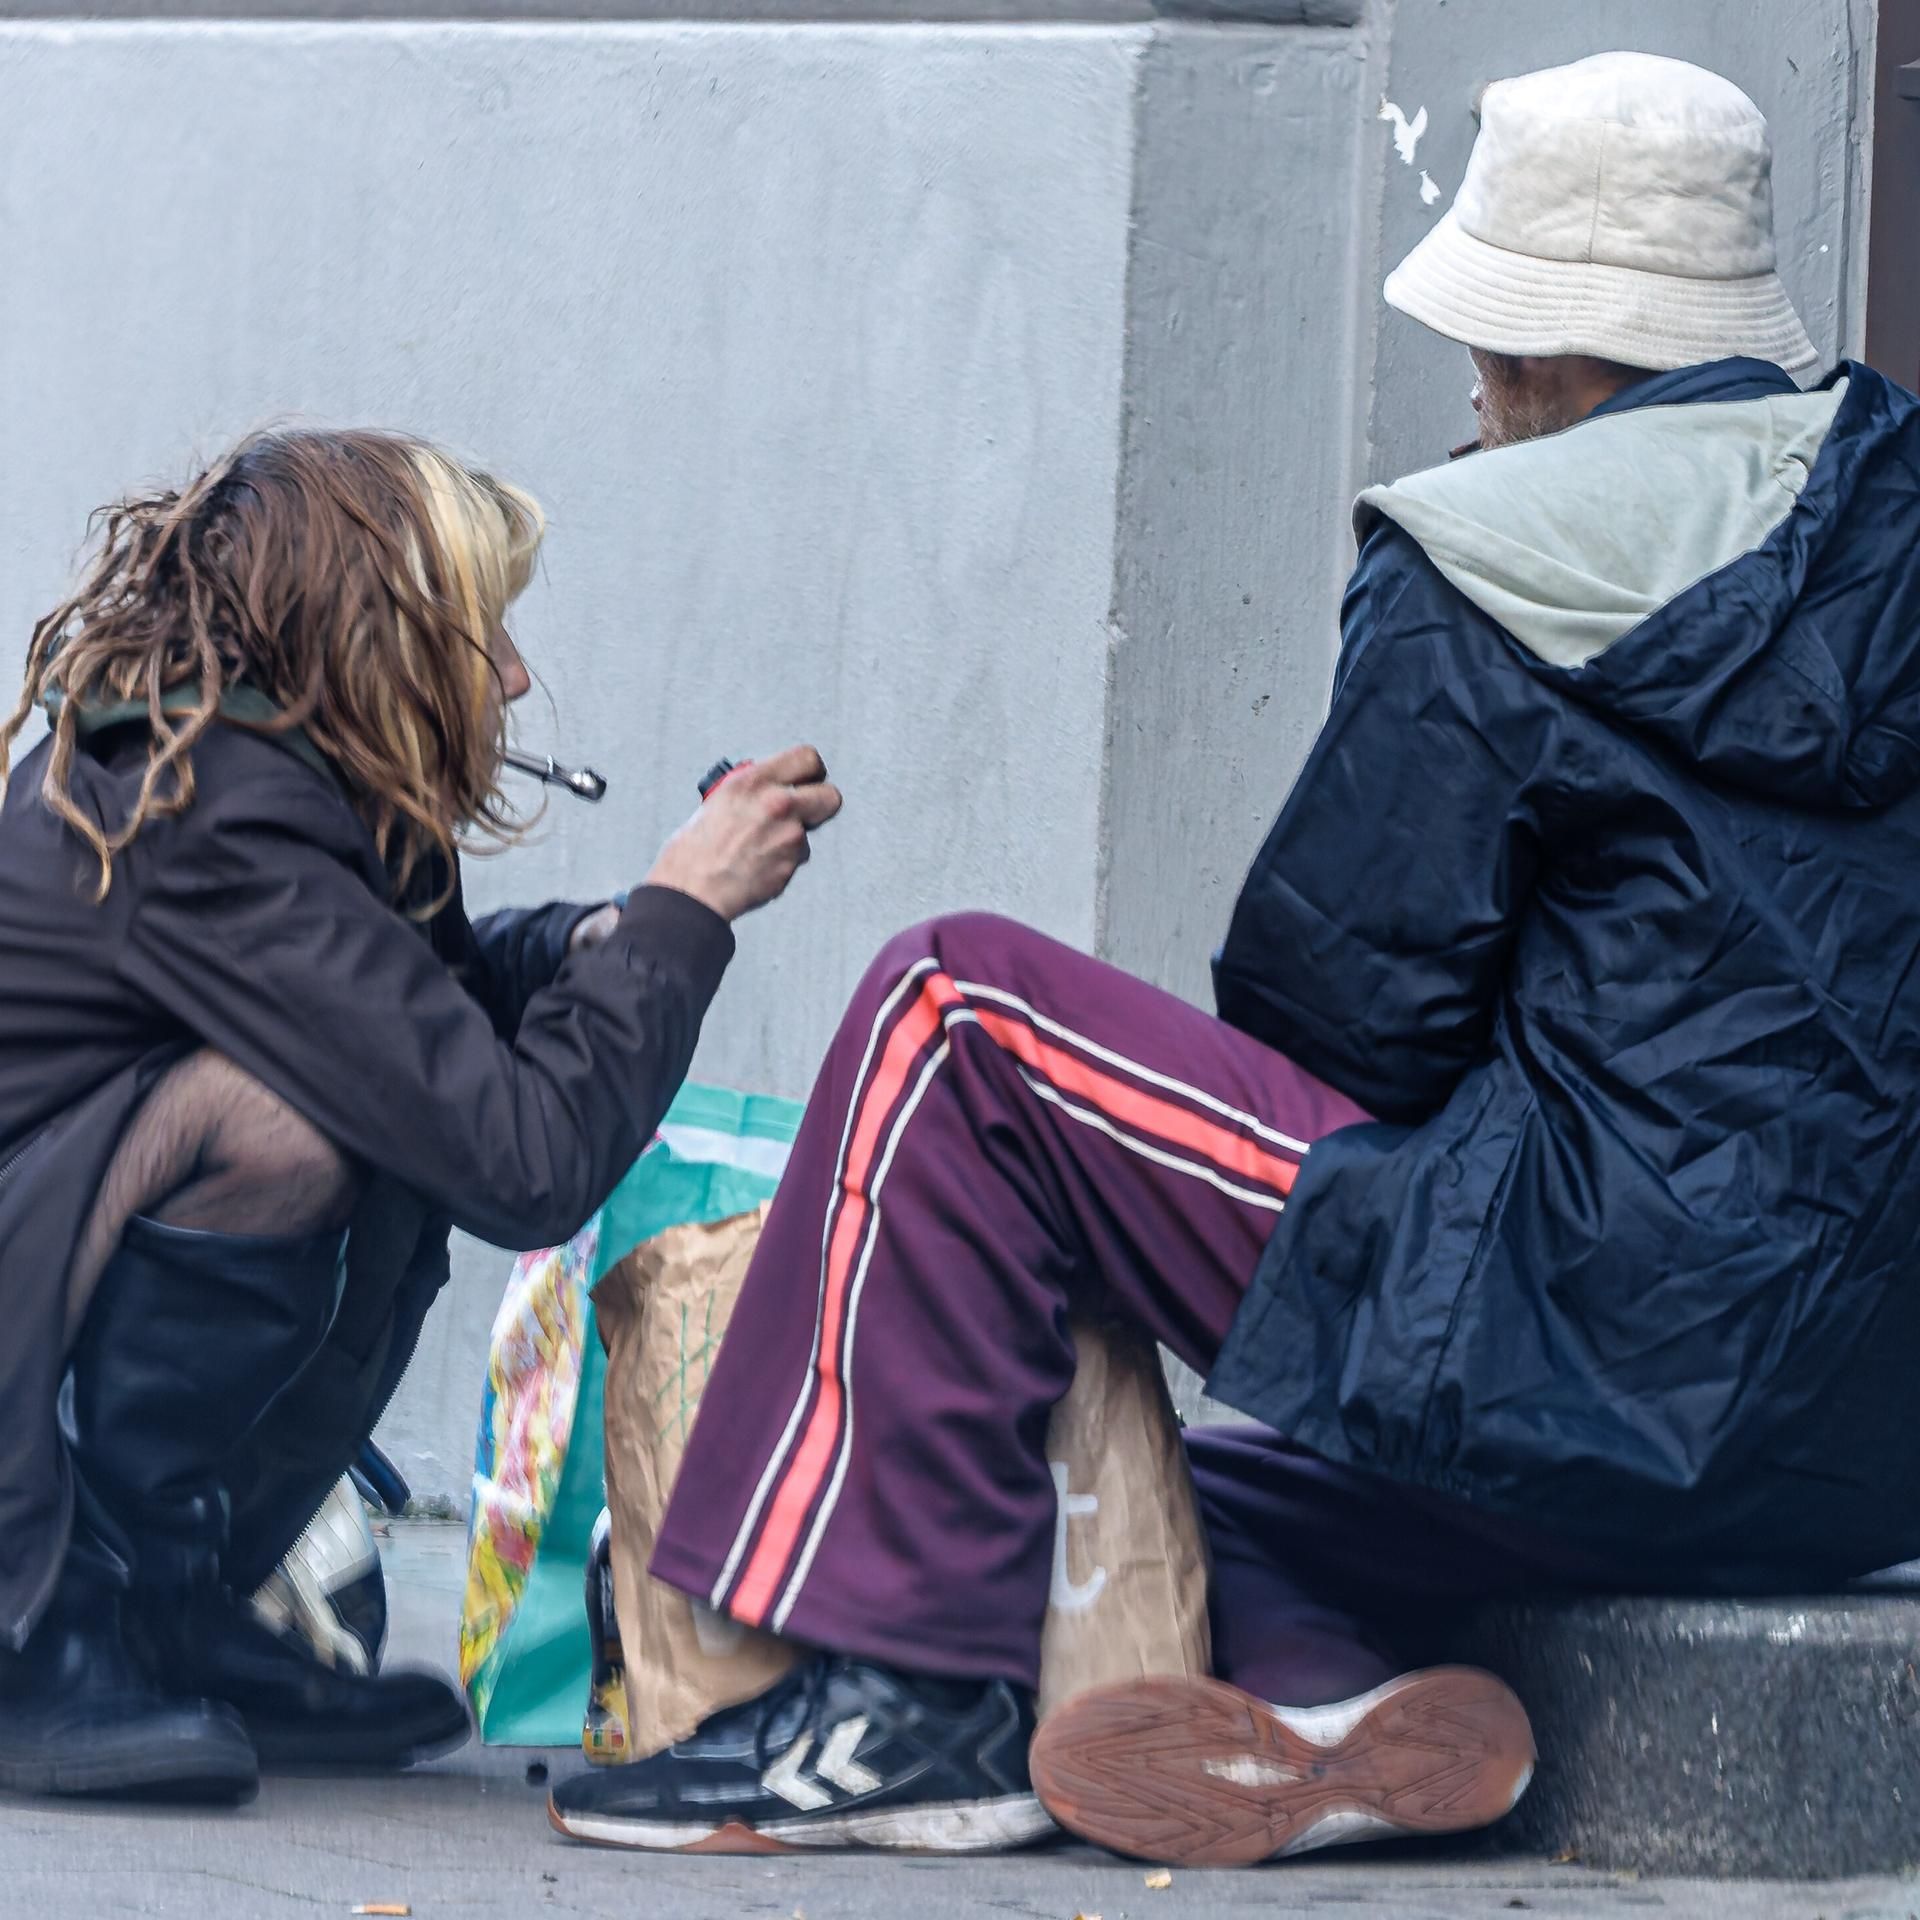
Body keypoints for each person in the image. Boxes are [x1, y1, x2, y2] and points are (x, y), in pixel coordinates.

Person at [549, 51, 1920, 1865]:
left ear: (1545, 357)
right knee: (1238, 1483)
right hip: (1852, 1438)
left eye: (1489, 355)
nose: (1479, 394)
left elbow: (1347, 1007)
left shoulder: (1490, 556)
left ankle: (898, 1705)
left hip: (1614, 1336)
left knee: (958, 1008)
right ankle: (1322, 1708)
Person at [0, 427, 840, 1803]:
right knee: (298, 1127)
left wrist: (600, 937)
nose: (513, 675)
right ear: (378, 633)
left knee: (376, 1108)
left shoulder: (279, 774)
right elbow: (523, 1166)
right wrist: (685, 917)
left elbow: (414, 1012)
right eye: (485, 631)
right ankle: (46, 1629)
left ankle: (172, 1605)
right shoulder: (205, 807)